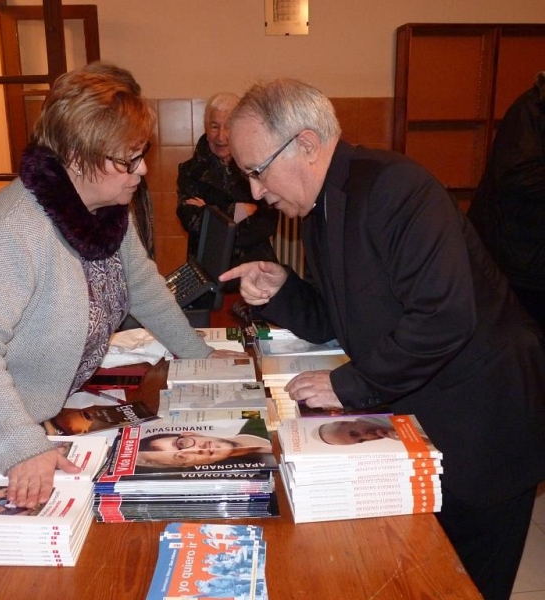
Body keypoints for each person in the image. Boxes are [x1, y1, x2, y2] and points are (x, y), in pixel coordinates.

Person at [219, 78, 545, 600]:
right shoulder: (322, 206)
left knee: (465, 583)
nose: (256, 192)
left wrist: (350, 386)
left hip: (484, 423)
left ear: (305, 143)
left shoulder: (395, 188)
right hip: (424, 413)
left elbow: (444, 316)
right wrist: (283, 290)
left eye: (257, 172)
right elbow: (340, 316)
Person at [0, 62, 240, 509]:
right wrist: (20, 445)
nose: (141, 171)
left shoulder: (104, 215)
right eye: (129, 159)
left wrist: (201, 357)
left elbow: (147, 291)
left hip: (39, 422)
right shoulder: (12, 229)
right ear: (79, 156)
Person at [467, 71, 545, 332]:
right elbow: (515, 174)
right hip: (517, 248)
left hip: (527, 250)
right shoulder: (533, 109)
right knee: (520, 332)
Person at [176, 92, 280, 284]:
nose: (221, 136)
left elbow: (267, 222)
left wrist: (209, 212)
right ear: (206, 128)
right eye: (215, 126)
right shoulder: (189, 171)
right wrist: (239, 211)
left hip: (256, 269)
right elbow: (190, 220)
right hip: (208, 272)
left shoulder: (259, 165)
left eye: (229, 126)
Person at [136, 420, 272, 468]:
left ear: (190, 433)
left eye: (182, 444)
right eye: (181, 457)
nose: (196, 450)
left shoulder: (261, 421)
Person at [317, 417, 399, 445]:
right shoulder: (396, 435)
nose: (369, 436)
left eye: (355, 434)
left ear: (345, 423)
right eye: (362, 440)